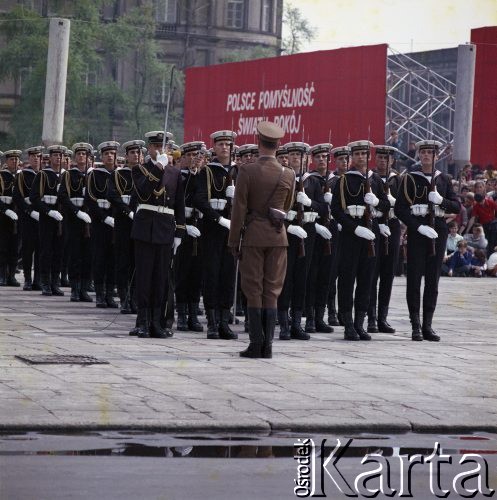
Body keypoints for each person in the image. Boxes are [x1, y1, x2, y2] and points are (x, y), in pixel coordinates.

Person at [228, 121, 295, 358]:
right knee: (272, 290)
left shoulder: (246, 171)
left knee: (253, 289)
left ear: (258, 141)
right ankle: (268, 347)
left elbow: (239, 209)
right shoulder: (289, 173)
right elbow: (285, 207)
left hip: (254, 236)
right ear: (279, 144)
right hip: (278, 237)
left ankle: (256, 344)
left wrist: (233, 240)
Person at [395, 140, 460, 341]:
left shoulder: (444, 179)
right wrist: (417, 226)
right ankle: (415, 324)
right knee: (414, 278)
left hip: (438, 230)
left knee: (433, 279)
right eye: (423, 152)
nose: (425, 155)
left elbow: (456, 207)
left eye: (430, 153)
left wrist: (441, 201)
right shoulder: (409, 179)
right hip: (418, 231)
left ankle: (427, 325)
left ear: (436, 156)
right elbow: (400, 209)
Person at [330, 141, 390, 340]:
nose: (360, 157)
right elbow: (337, 210)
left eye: (364, 154)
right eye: (356, 154)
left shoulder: (376, 181)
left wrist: (377, 203)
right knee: (347, 280)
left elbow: (385, 207)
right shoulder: (344, 180)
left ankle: (360, 323)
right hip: (350, 235)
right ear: (351, 157)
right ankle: (348, 324)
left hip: (371, 236)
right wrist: (355, 228)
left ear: (368, 156)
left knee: (367, 280)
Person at [131, 131, 185, 339]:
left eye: (164, 147)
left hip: (165, 229)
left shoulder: (175, 174)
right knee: (144, 278)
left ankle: (157, 322)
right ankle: (143, 322)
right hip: (145, 229)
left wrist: (179, 231)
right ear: (149, 149)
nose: (160, 150)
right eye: (156, 147)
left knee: (161, 279)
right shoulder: (140, 170)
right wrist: (158, 166)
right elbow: (144, 193)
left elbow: (179, 204)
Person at [277, 141, 326, 341]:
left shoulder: (313, 182)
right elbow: (274, 209)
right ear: (288, 157)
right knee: (286, 279)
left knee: (302, 279)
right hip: (288, 232)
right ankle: (284, 324)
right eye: (294, 154)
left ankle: (297, 322)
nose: (297, 157)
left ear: (306, 158)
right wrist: (289, 225)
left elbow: (323, 209)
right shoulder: (282, 178)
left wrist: (310, 203)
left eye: (300, 154)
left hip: (307, 233)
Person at [193, 130, 238, 340]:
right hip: (212, 229)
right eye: (220, 144)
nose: (224, 148)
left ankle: (224, 321)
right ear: (214, 147)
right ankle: (212, 322)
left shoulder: (238, 172)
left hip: (232, 232)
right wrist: (218, 219)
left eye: (228, 144)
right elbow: (199, 199)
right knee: (212, 274)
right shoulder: (206, 172)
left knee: (228, 276)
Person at [367, 145, 401, 334]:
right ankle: (371, 317)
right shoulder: (370, 178)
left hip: (392, 227)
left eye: (386, 158)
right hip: (374, 225)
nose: (382, 161)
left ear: (392, 161)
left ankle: (382, 318)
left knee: (388, 273)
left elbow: (405, 204)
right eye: (379, 157)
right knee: (372, 273)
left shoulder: (398, 180)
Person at [108, 140, 143, 313]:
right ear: (127, 156)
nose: (136, 155)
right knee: (123, 261)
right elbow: (113, 195)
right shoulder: (118, 174)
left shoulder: (145, 173)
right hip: (123, 222)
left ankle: (135, 298)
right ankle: (124, 298)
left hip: (140, 223)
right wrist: (127, 211)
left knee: (136, 262)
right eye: (132, 153)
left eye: (138, 152)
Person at [174, 141, 205, 333]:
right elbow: (180, 199)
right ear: (183, 157)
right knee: (182, 272)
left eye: (198, 156)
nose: (195, 160)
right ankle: (183, 314)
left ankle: (194, 313)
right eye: (191, 156)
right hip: (183, 225)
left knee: (197, 272)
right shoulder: (177, 176)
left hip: (199, 226)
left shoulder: (203, 176)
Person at [85, 141, 120, 308]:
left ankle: (110, 293)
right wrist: (104, 217)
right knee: (100, 258)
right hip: (100, 223)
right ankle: (100, 293)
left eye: (112, 153)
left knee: (113, 259)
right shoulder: (94, 175)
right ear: (101, 156)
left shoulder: (119, 175)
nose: (110, 156)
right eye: (106, 154)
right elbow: (91, 200)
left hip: (117, 222)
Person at [58, 142, 94, 302]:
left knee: (88, 254)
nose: (81, 157)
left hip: (89, 219)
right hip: (73, 219)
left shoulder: (91, 175)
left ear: (88, 158)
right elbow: (63, 196)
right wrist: (77, 211)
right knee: (75, 254)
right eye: (78, 154)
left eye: (84, 154)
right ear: (74, 157)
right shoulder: (67, 175)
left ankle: (84, 288)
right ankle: (75, 288)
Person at [304, 143, 333, 334]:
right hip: (313, 230)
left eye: (325, 157)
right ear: (313, 160)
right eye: (318, 157)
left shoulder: (337, 180)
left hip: (332, 233)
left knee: (326, 276)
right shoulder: (310, 180)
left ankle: (321, 316)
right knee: (311, 275)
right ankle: (309, 318)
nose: (322, 160)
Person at [30, 145, 66, 296]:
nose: (58, 158)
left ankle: (55, 283)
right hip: (47, 218)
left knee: (59, 251)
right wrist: (48, 211)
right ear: (50, 158)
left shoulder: (65, 176)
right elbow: (34, 197)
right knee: (46, 251)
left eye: (60, 155)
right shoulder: (43, 175)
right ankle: (45, 282)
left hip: (61, 219)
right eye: (55, 155)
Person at [13, 146, 43, 290]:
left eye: (38, 156)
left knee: (40, 249)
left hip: (42, 216)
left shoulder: (44, 174)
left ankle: (37, 279)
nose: (36, 158)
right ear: (29, 158)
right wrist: (29, 211)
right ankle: (27, 279)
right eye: (33, 156)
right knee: (27, 249)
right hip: (27, 216)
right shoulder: (22, 175)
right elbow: (18, 197)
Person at [327, 146, 350, 326]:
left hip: (350, 230)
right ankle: (331, 311)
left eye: (346, 159)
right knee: (332, 272)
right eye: (341, 159)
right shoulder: (332, 181)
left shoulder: (352, 180)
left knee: (346, 274)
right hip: (334, 229)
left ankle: (345, 312)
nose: (344, 162)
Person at [0, 150, 22, 286]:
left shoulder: (22, 177)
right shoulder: (2, 176)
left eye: (16, 159)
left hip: (18, 215)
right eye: (11, 159)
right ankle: (2, 275)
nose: (14, 161)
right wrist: (5, 210)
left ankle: (12, 275)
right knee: (3, 247)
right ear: (6, 162)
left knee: (15, 247)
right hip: (3, 216)